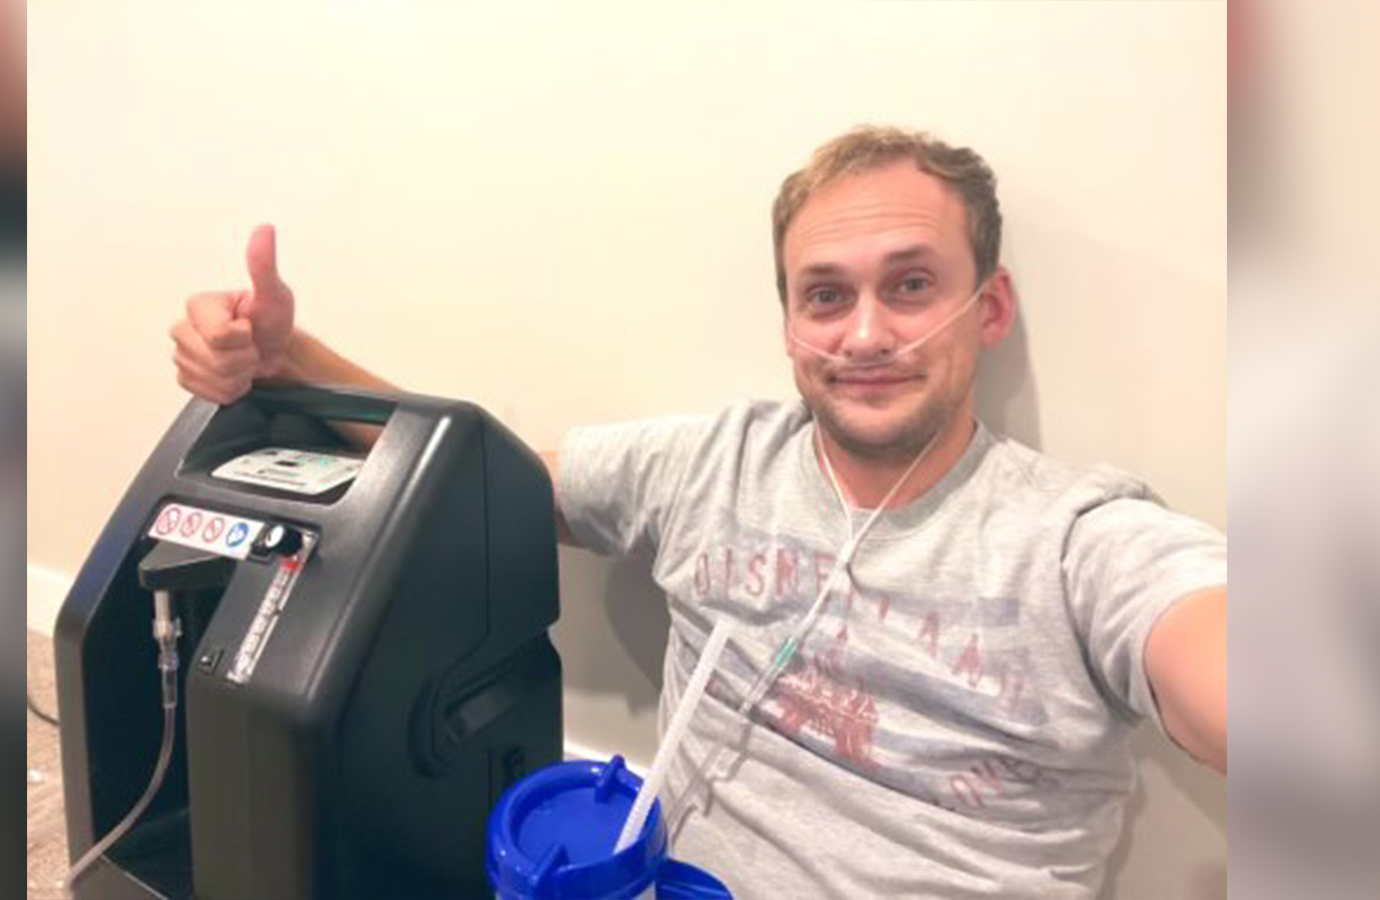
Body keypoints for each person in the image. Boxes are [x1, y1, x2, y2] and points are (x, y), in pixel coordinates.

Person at [169, 126, 1226, 898]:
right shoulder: (714, 463)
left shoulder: (1078, 538)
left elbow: (1214, 651)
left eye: (910, 286)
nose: (865, 334)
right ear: (788, 324)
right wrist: (287, 361)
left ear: (985, 308)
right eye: (825, 295)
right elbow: (489, 481)